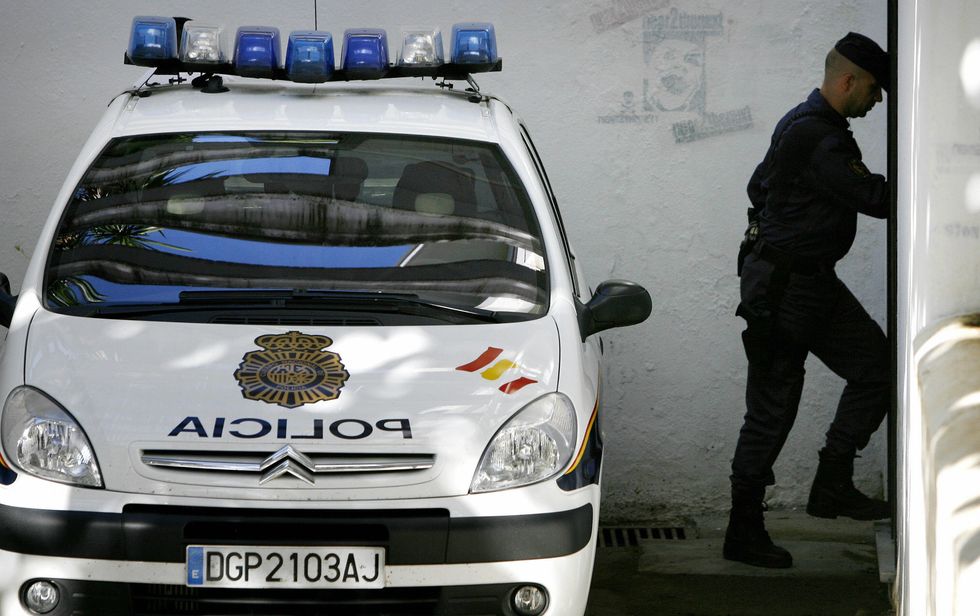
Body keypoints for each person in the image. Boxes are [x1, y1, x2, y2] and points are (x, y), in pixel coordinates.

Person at [725, 32, 891, 569]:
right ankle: (743, 530)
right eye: (874, 88)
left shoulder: (803, 123)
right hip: (785, 289)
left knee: (877, 367)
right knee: (772, 411)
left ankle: (832, 483)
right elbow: (875, 198)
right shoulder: (819, 137)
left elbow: (759, 188)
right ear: (848, 81)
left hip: (810, 282)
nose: (879, 99)